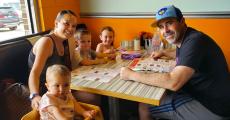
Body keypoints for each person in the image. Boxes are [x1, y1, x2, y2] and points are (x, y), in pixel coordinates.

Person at [120, 5, 230, 120]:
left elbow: (173, 82)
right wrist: (164, 52)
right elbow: (185, 55)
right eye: (161, 27)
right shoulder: (188, 37)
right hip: (209, 98)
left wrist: (131, 74)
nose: (165, 30)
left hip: (213, 108)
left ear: (182, 21)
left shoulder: (194, 41)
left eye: (169, 23)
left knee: (144, 106)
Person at [28, 10, 79, 110]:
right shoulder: (47, 42)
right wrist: (34, 96)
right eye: (66, 24)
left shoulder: (64, 41)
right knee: (91, 98)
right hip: (46, 93)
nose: (71, 28)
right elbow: (34, 72)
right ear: (56, 23)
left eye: (74, 26)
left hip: (59, 89)